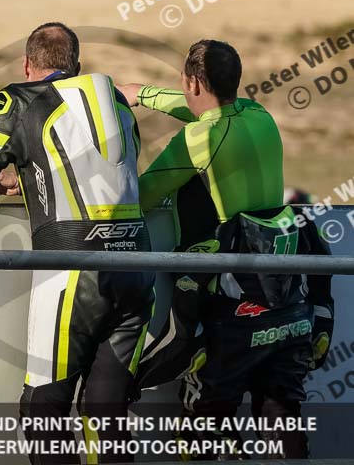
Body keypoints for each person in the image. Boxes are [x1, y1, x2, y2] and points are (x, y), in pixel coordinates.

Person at [0, 22, 154, 464]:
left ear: (27, 64)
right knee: (106, 414)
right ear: (76, 66)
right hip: (139, 267)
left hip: (74, 273)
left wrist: (0, 182)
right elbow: (92, 177)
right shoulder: (116, 103)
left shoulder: (19, 99)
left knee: (42, 409)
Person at [120, 39, 333, 460]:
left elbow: (141, 197)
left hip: (235, 304)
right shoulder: (260, 115)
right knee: (282, 422)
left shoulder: (198, 139)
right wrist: (143, 93)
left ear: (194, 82)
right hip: (288, 297)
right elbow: (205, 109)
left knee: (207, 428)